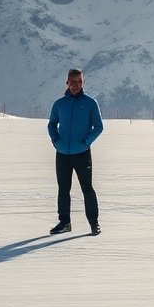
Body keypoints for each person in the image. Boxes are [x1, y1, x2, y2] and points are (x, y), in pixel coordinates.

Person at [47, 68, 104, 235]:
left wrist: (86, 142)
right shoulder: (59, 104)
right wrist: (56, 141)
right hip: (63, 153)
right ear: (67, 83)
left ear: (83, 83)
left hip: (82, 153)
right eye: (73, 82)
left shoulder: (90, 103)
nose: (76, 85)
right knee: (63, 189)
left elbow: (98, 127)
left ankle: (94, 223)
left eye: (79, 81)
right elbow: (51, 124)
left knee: (87, 189)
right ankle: (65, 222)